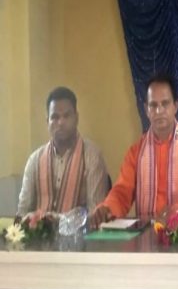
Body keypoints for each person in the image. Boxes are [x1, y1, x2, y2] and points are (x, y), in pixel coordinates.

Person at [91, 74, 178, 226]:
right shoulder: (136, 152)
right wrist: (107, 208)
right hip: (146, 235)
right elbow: (122, 192)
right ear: (146, 109)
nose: (159, 111)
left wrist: (177, 212)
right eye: (153, 105)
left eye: (165, 104)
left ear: (175, 106)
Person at [17, 87, 109, 215]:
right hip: (40, 228)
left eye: (66, 116)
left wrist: (57, 221)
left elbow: (95, 213)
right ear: (47, 122)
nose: (60, 122)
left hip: (80, 228)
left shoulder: (92, 156)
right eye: (55, 117)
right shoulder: (35, 160)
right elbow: (22, 211)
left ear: (76, 118)